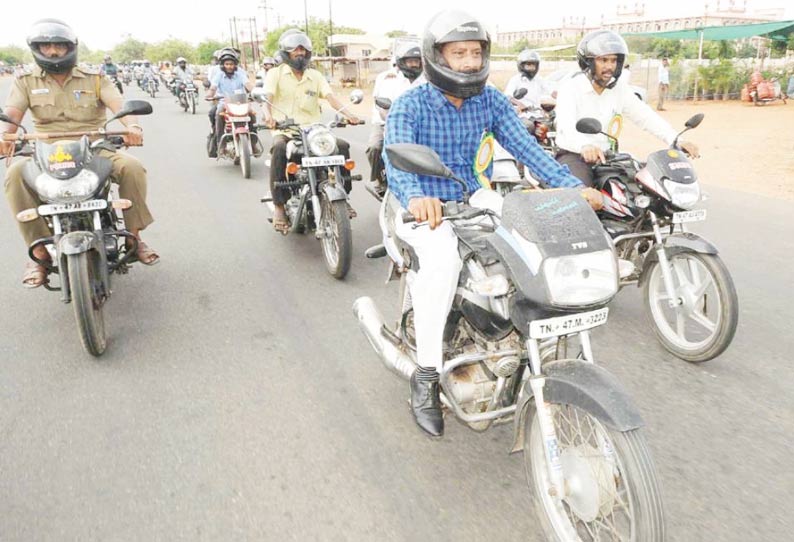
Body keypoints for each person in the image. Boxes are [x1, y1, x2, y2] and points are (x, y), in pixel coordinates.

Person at [383, 10, 601, 437]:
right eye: (458, 52)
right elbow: (397, 159)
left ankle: (516, 331)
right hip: (415, 206)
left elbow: (527, 148)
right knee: (443, 259)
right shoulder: (411, 103)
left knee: (526, 232)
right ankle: (425, 376)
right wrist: (417, 198)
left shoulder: (490, 99)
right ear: (436, 56)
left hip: (470, 195)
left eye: (475, 52)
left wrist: (569, 186)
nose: (468, 61)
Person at [1, 18, 158, 288]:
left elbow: (119, 105)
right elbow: (12, 116)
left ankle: (133, 237)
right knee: (14, 173)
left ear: (70, 47)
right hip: (46, 151)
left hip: (95, 147)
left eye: (59, 46)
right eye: (46, 46)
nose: (52, 52)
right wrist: (5, 136)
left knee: (132, 167)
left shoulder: (95, 77)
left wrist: (132, 127)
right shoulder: (25, 81)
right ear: (36, 48)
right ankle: (38, 253)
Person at [554, 31, 698, 187]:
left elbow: (645, 116)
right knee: (583, 199)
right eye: (603, 60)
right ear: (588, 62)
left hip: (608, 157)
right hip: (574, 156)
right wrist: (584, 146)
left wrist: (676, 139)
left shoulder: (619, 89)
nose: (609, 66)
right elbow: (565, 126)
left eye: (614, 60)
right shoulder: (570, 88)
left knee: (643, 189)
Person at [261, 30, 362, 233]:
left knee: (341, 146)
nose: (300, 53)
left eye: (303, 49)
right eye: (295, 49)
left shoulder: (315, 76)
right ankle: (279, 206)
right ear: (286, 52)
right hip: (287, 130)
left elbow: (330, 97)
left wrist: (350, 114)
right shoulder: (275, 73)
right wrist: (268, 116)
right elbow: (267, 98)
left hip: (313, 130)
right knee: (279, 148)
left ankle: (343, 195)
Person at [366, 37, 423, 197]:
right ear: (401, 62)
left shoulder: (427, 80)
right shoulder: (388, 79)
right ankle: (378, 180)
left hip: (419, 124)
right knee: (375, 147)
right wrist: (391, 120)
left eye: (417, 61)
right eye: (410, 61)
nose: (414, 65)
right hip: (387, 123)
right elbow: (380, 103)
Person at [205, 47, 257, 158]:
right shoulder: (218, 75)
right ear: (223, 65)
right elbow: (213, 87)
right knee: (219, 113)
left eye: (231, 64)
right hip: (225, 103)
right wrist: (210, 94)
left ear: (235, 65)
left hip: (241, 102)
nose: (229, 66)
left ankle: (253, 142)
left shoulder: (240, 73)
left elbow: (248, 84)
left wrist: (255, 92)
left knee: (252, 114)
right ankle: (221, 143)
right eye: (227, 64)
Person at [504, 49, 552, 116]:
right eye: (528, 64)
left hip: (537, 113)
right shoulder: (515, 80)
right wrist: (519, 104)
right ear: (522, 65)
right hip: (522, 114)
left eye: (533, 65)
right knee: (528, 125)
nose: (531, 67)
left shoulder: (539, 79)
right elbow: (507, 97)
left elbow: (551, 91)